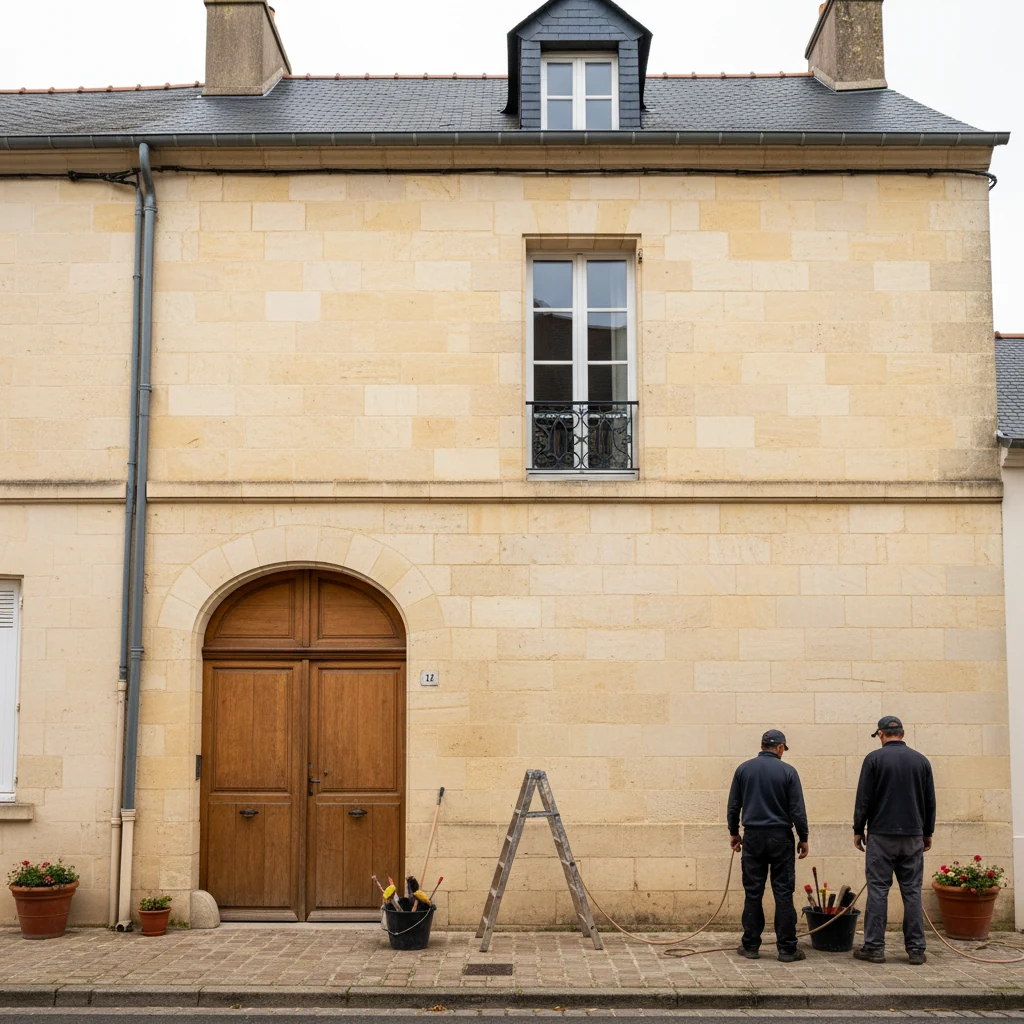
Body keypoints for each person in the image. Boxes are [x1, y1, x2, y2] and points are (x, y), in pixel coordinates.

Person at [852, 715, 936, 966]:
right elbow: (929, 801)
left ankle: (875, 948)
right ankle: (916, 950)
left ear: (880, 734)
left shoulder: (874, 759)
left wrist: (858, 829)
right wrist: (927, 832)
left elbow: (863, 798)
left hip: (881, 835)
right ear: (902, 732)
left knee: (878, 890)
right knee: (911, 892)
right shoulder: (921, 761)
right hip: (912, 836)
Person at [727, 729, 809, 962]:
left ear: (762, 746)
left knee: (753, 892)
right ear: (781, 748)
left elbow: (734, 805)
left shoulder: (744, 769)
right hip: (780, 837)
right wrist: (803, 837)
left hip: (752, 836)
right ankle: (787, 949)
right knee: (783, 892)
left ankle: (751, 946)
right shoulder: (788, 771)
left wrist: (734, 832)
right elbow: (797, 810)